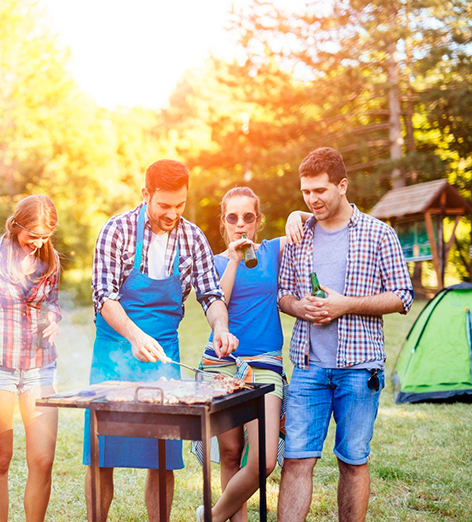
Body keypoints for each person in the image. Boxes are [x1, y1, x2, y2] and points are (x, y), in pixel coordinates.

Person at [85, 159, 238, 522]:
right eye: (164, 205)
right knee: (101, 456)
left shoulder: (192, 237)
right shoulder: (116, 231)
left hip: (164, 360)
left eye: (180, 205)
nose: (172, 213)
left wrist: (220, 326)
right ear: (146, 195)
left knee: (162, 457)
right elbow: (103, 297)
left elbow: (211, 295)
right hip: (114, 355)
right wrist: (135, 336)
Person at [276, 147, 413, 522]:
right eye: (306, 192)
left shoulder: (379, 233)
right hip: (308, 368)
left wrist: (345, 305)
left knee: (353, 462)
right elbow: (283, 294)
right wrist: (301, 308)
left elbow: (403, 296)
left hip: (359, 369)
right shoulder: (298, 234)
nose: (312, 199)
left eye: (320, 190)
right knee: (295, 462)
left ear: (342, 185)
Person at [195, 187, 310, 522]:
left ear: (258, 221)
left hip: (264, 363)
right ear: (223, 222)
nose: (240, 224)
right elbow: (219, 301)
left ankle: (213, 517)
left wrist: (294, 215)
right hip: (220, 364)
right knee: (231, 453)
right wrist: (232, 258)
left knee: (264, 460)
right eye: (233, 217)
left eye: (248, 217)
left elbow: (316, 220)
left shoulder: (273, 250)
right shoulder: (215, 262)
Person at [0, 195, 62, 522]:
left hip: (40, 366)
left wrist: (53, 318)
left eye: (44, 237)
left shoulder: (50, 260)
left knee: (42, 458)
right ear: (16, 225)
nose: (37, 243)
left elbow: (52, 302)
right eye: (33, 235)